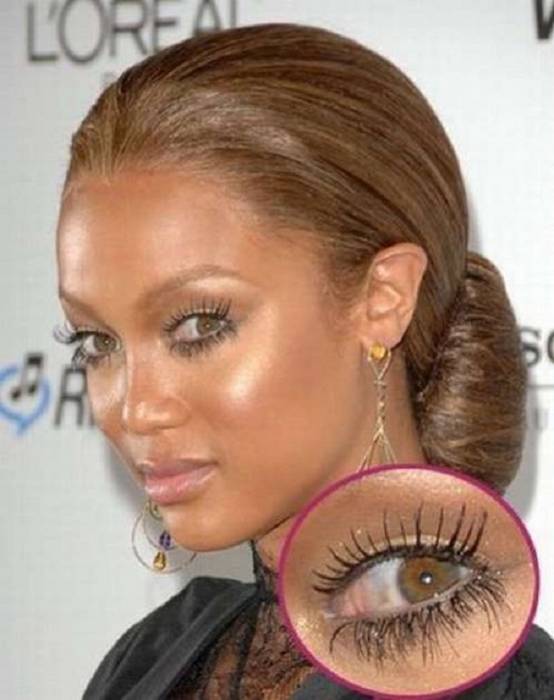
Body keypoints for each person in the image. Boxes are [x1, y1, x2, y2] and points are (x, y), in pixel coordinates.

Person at [53, 22, 554, 699]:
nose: (134, 408)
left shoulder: (505, 686)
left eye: (199, 325)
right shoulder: (151, 658)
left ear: (383, 298)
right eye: (97, 341)